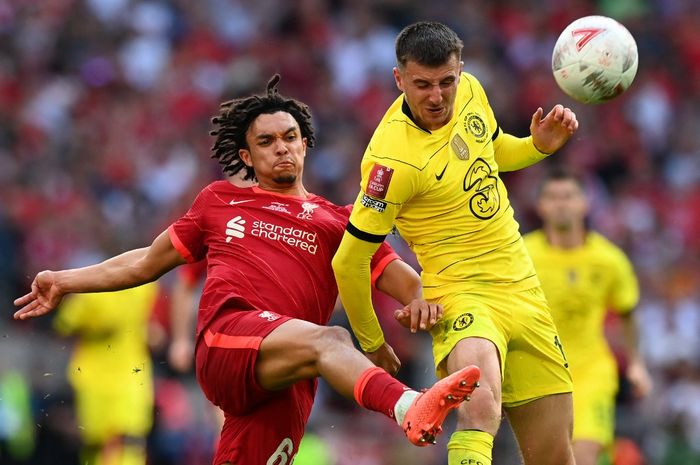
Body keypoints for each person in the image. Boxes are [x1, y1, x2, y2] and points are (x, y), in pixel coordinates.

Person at [14, 75, 480, 465]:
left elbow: (412, 286)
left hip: (287, 374)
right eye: (266, 141)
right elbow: (145, 261)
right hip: (227, 340)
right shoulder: (219, 201)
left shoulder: (341, 223)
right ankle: (407, 405)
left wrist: (432, 306)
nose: (281, 149)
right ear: (246, 156)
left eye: (290, 138)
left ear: (305, 145)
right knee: (334, 338)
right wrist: (65, 279)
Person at [332, 21, 579, 465]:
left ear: (461, 70)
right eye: (422, 85)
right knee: (480, 404)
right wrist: (370, 343)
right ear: (399, 78)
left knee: (556, 455)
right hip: (461, 294)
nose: (437, 96)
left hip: (522, 286)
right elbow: (349, 261)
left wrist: (536, 146)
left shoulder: (471, 91)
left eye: (447, 81)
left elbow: (491, 149)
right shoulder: (391, 163)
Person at [523, 168, 652, 465]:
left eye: (568, 196)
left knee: (583, 453)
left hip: (591, 371)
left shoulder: (608, 260)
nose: (561, 204)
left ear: (585, 203)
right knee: (547, 458)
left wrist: (636, 363)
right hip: (538, 371)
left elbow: (627, 312)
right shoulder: (522, 255)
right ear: (540, 206)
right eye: (552, 197)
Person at [53, 284, 159, 465]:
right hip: (127, 380)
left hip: (98, 380)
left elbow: (64, 325)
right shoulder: (143, 283)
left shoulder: (90, 289)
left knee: (102, 444)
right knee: (125, 442)